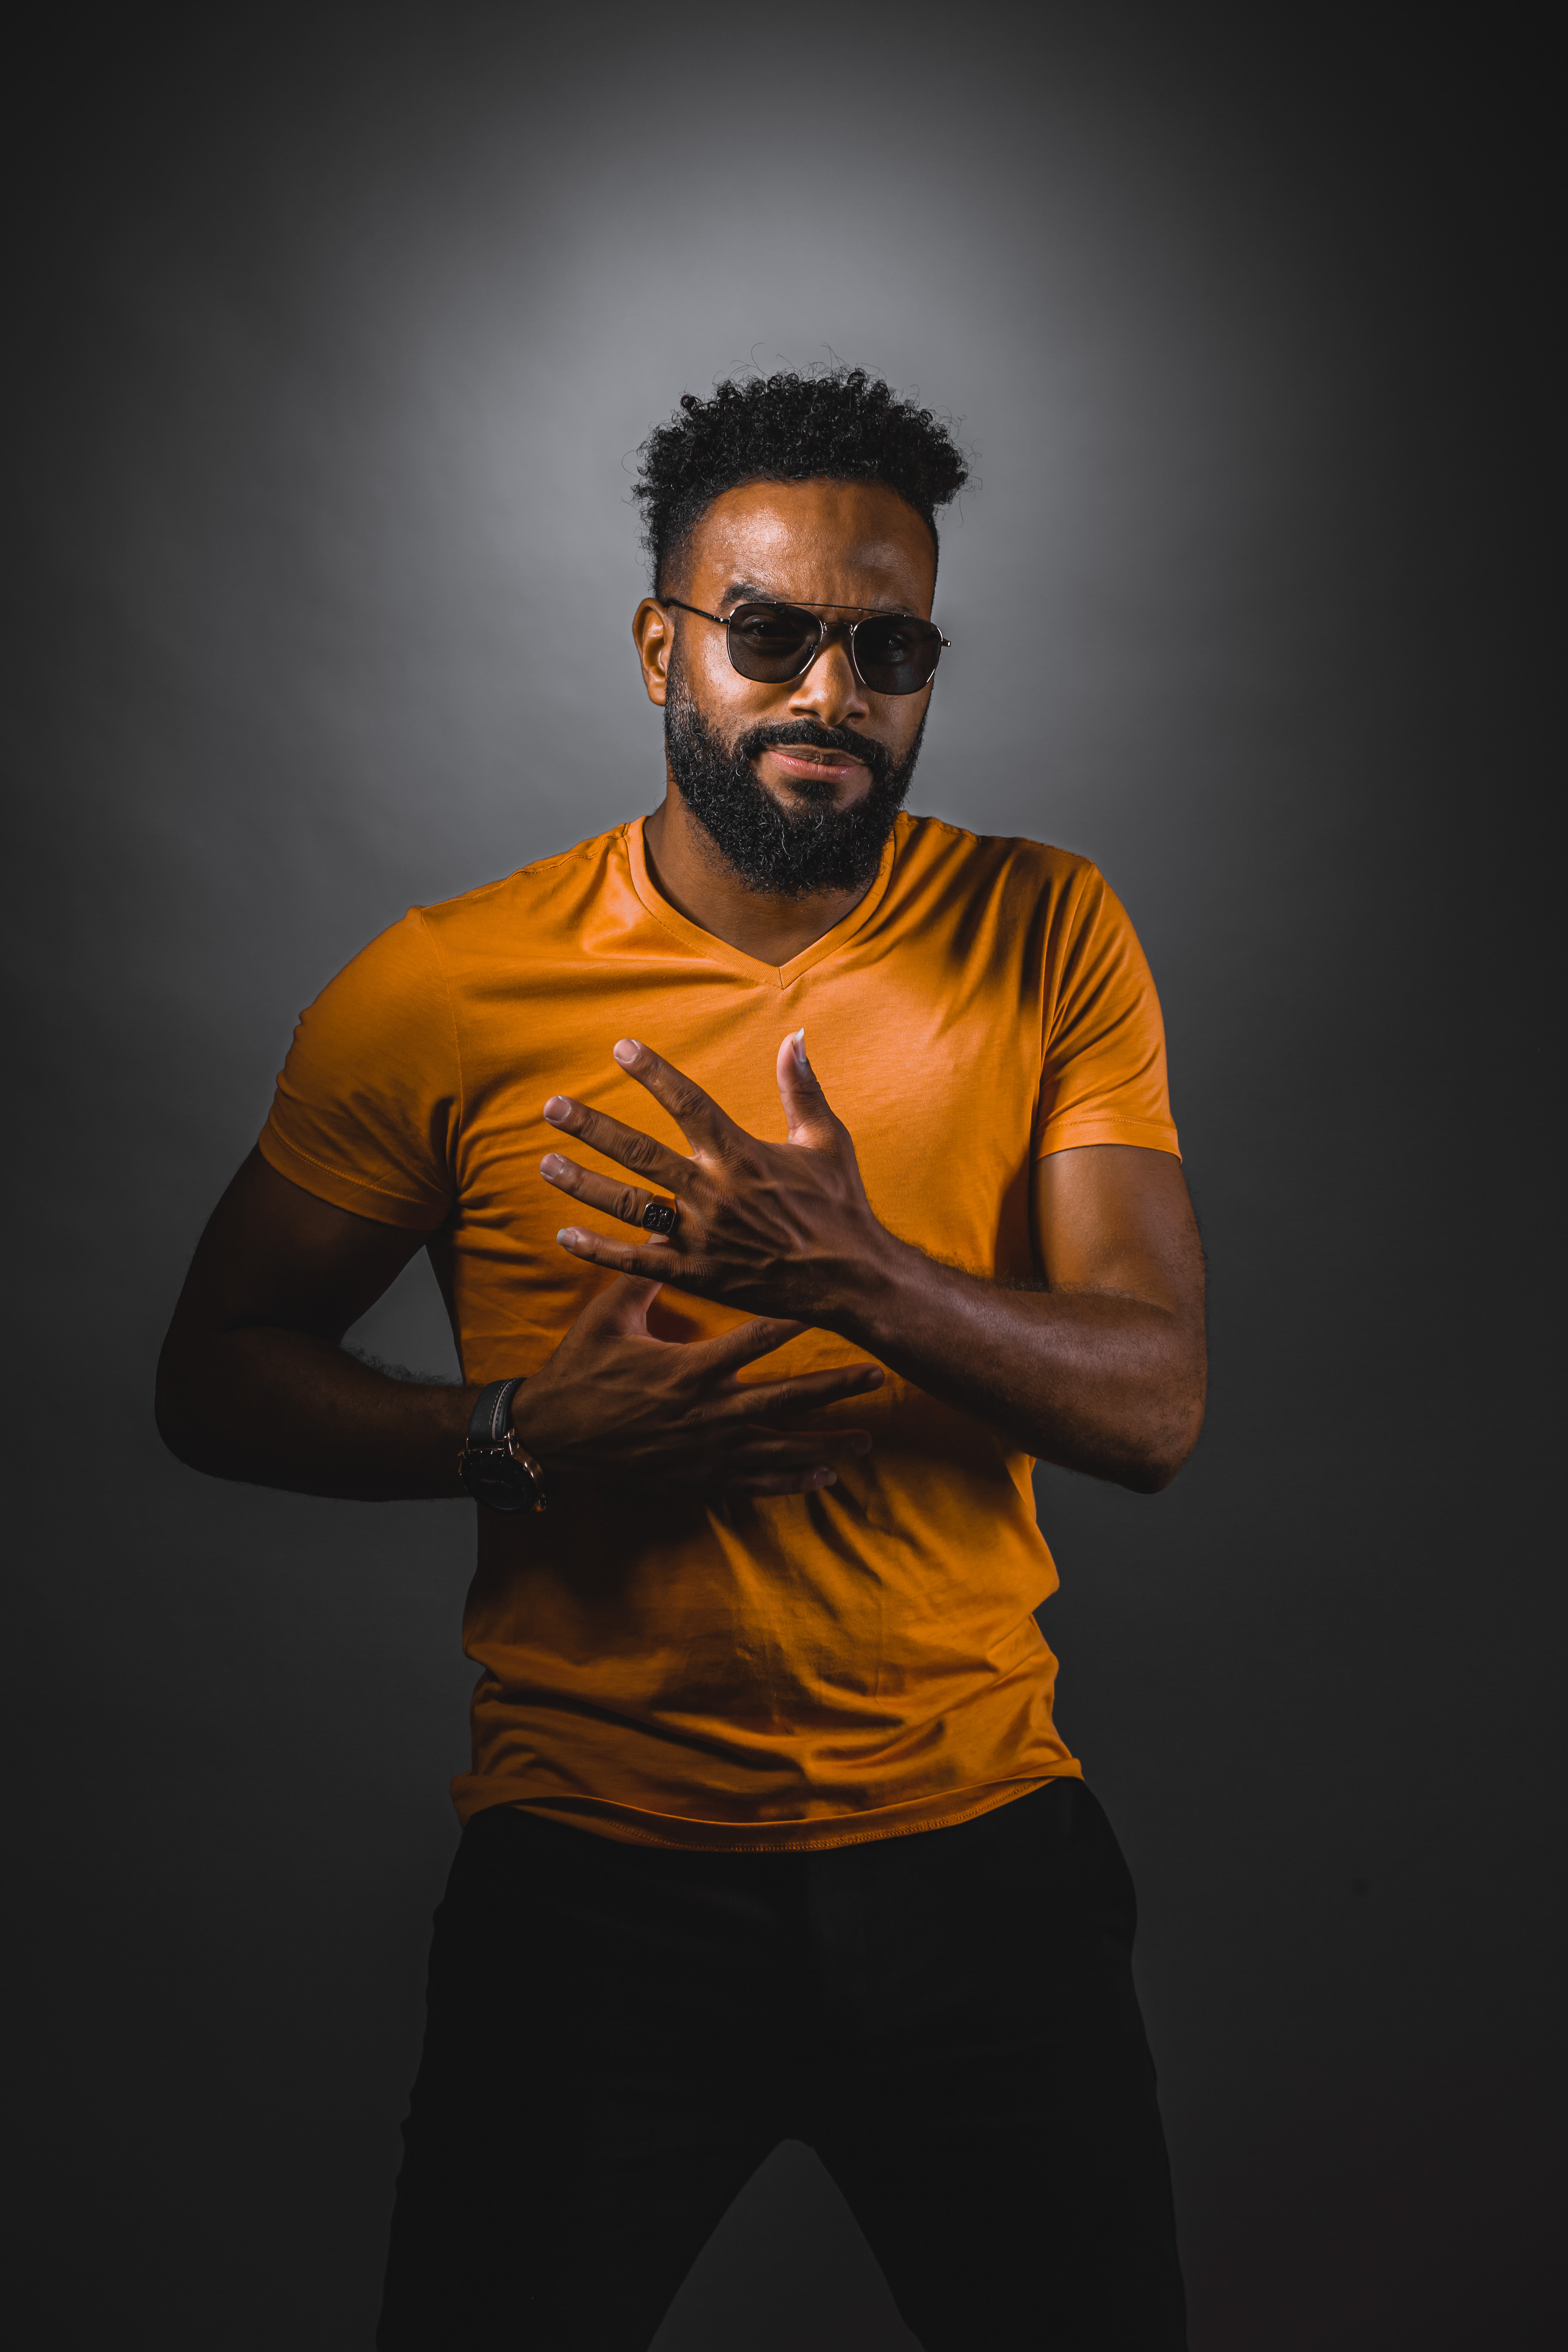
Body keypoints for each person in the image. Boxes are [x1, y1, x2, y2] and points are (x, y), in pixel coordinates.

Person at [157, 365, 1205, 2350]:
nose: (831, 694)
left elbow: (1155, 1406)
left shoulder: (1047, 929)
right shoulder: (446, 984)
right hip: (595, 1886)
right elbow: (211, 1372)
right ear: (665, 646)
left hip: (981, 1864)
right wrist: (508, 1433)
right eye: (772, 634)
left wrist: (855, 1273)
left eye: (889, 650)